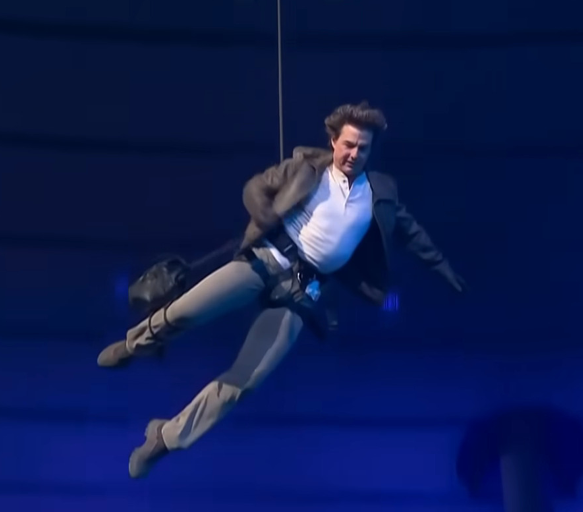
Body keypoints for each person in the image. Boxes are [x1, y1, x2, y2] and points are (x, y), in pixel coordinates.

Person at [97, 101, 467, 478]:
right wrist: (265, 214)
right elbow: (255, 187)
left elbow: (413, 234)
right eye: (349, 145)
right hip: (265, 261)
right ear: (334, 142)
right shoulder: (306, 168)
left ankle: (165, 438)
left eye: (363, 148)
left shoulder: (378, 193)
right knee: (186, 310)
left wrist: (444, 269)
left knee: (247, 379)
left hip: (302, 293)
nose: (354, 154)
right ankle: (135, 344)